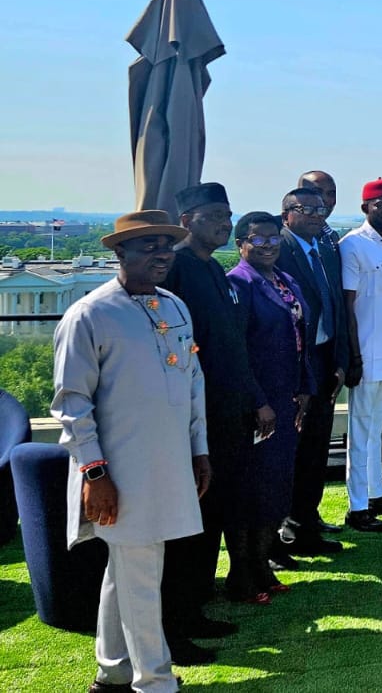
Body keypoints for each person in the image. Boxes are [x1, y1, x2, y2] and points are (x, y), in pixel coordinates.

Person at [54, 211, 209, 693]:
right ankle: (154, 681)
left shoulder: (176, 308)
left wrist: (199, 450)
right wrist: (96, 474)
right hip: (120, 470)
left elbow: (192, 383)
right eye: (147, 245)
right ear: (119, 252)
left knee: (129, 571)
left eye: (167, 244)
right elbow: (71, 401)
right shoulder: (91, 313)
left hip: (170, 462)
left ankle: (114, 670)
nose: (161, 253)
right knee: (141, 574)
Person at [158, 183, 244, 663]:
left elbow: (228, 343)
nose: (224, 224)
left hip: (222, 414)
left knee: (211, 516)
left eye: (227, 215)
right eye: (214, 215)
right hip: (188, 418)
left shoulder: (214, 268)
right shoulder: (175, 268)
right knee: (184, 523)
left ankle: (193, 609)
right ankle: (172, 626)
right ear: (187, 219)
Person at [226, 212, 315, 603]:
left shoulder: (286, 280)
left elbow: (301, 338)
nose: (268, 245)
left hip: (287, 401)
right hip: (257, 407)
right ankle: (242, 576)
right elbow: (235, 352)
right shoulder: (238, 284)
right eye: (257, 239)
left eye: (273, 237)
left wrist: (305, 388)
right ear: (240, 244)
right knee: (251, 494)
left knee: (277, 490)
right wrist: (258, 401)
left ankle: (262, 567)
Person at [275, 186, 349, 560]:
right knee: (294, 449)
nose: (318, 215)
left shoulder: (326, 248)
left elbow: (336, 302)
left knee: (317, 448)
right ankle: (286, 529)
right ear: (287, 213)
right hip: (294, 363)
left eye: (322, 209)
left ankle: (306, 520)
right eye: (308, 208)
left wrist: (341, 359)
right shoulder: (280, 248)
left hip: (324, 357)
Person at [340, 178, 382, 532]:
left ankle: (374, 496)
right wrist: (353, 357)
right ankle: (356, 507)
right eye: (380, 204)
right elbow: (348, 306)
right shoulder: (352, 245)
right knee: (361, 430)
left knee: (376, 428)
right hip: (366, 352)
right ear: (366, 207)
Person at [297, 170, 340, 253]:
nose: (325, 199)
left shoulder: (331, 237)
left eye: (331, 194)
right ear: (298, 196)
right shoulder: (276, 233)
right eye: (317, 192)